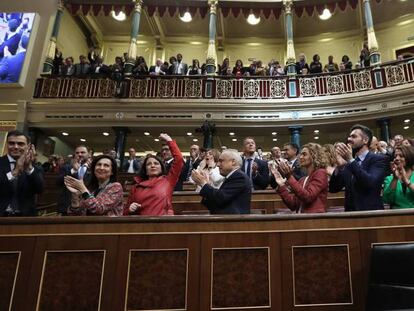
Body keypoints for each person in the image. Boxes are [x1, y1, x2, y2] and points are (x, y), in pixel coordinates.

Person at [329, 124, 388, 211]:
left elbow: (370, 183)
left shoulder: (379, 159)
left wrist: (350, 160)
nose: (349, 139)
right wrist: (339, 167)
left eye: (354, 136)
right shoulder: (349, 163)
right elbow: (333, 189)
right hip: (350, 216)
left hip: (372, 215)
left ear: (365, 140)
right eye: (349, 136)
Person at [125, 133, 183, 216]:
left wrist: (169, 141)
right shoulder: (136, 187)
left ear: (161, 168)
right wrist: (130, 209)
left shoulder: (168, 181)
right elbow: (125, 212)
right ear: (145, 169)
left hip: (164, 224)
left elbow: (179, 159)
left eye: (156, 163)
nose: (152, 165)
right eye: (149, 164)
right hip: (141, 225)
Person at [271, 143, 328, 213]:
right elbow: (293, 205)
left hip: (314, 220)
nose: (300, 157)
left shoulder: (321, 172)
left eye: (304, 154)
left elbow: (308, 197)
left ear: (314, 156)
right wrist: (281, 186)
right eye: (300, 154)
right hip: (302, 219)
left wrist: (289, 177)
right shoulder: (303, 179)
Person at [192, 149, 251, 214]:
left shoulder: (239, 176)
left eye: (221, 161)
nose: (218, 165)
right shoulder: (232, 176)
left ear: (233, 162)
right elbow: (216, 202)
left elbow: (221, 198)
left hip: (233, 221)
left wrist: (203, 183)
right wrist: (207, 184)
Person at [0, 130, 44, 216]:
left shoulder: (36, 168)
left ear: (28, 146)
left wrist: (29, 168)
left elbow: (40, 189)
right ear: (7, 145)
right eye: (11, 143)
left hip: (25, 218)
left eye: (20, 144)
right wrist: (15, 172)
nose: (16, 147)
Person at [57, 145, 91, 215]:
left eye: (82, 152)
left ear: (88, 154)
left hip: (87, 207)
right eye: (77, 153)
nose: (79, 154)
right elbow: (58, 183)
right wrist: (73, 170)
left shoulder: (94, 169)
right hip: (67, 206)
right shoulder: (66, 167)